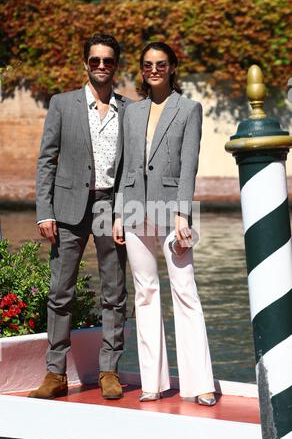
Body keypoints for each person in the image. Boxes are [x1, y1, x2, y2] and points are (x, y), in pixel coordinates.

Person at [29, 34, 131, 400]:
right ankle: (55, 373)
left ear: (115, 65)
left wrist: (126, 211)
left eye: (107, 61)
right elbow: (47, 160)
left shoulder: (129, 109)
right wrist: (45, 211)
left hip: (109, 206)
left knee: (114, 292)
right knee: (60, 291)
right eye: (95, 60)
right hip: (68, 208)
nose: (101, 66)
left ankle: (109, 371)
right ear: (85, 63)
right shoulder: (62, 104)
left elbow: (132, 168)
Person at [113, 42, 216, 405]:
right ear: (142, 69)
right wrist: (117, 213)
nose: (153, 69)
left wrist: (182, 213)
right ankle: (152, 383)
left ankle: (200, 383)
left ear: (172, 67)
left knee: (185, 290)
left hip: (174, 210)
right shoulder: (131, 111)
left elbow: (189, 165)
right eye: (147, 64)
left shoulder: (189, 109)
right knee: (145, 292)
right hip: (135, 210)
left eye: (160, 64)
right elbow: (125, 167)